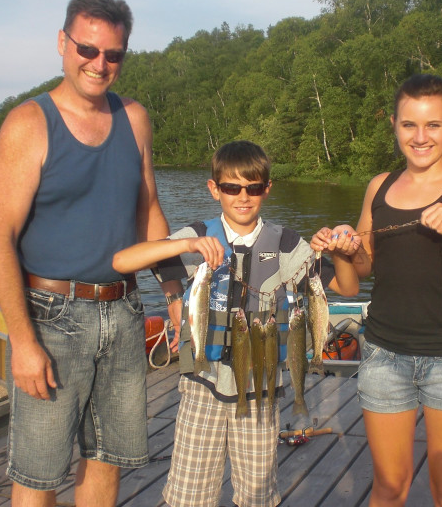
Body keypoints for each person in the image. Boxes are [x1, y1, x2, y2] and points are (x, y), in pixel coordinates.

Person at [0, 0, 182, 506]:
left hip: (123, 310)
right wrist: (23, 343)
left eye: (113, 55)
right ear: (62, 43)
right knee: (39, 473)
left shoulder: (135, 118)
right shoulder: (28, 125)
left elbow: (150, 212)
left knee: (108, 460)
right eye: (87, 49)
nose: (99, 64)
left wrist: (174, 290)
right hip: (51, 317)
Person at [112, 140, 360, 507]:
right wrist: (187, 246)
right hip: (203, 383)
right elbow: (122, 262)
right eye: (231, 187)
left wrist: (341, 253)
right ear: (215, 189)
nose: (243, 197)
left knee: (257, 495)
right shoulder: (197, 235)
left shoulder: (287, 244)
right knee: (189, 496)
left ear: (266, 190)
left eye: (253, 188)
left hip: (261, 387)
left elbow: (348, 287)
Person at [337, 74, 442, 507]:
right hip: (383, 354)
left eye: (433, 125)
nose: (420, 137)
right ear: (394, 125)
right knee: (389, 486)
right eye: (409, 125)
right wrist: (345, 247)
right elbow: (362, 270)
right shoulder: (379, 186)